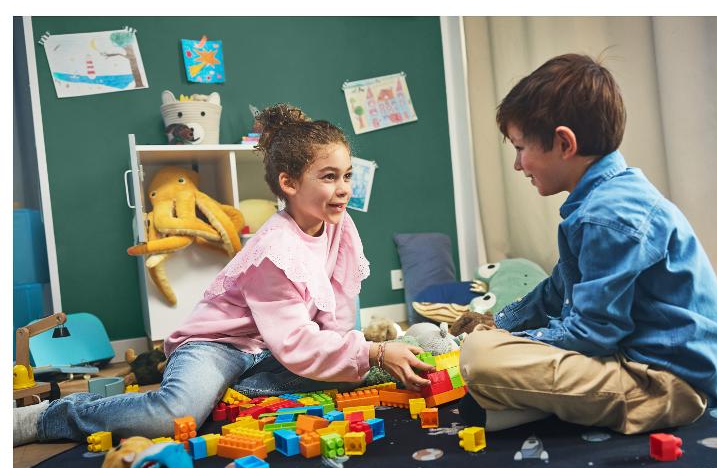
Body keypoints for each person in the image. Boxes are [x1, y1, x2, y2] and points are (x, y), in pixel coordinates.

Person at [14, 104, 433, 446]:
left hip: (267, 351)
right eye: (328, 177)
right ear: (288, 183)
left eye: (346, 176)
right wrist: (373, 353)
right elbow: (297, 342)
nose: (343, 188)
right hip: (217, 346)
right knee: (176, 415)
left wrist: (354, 351)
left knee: (342, 377)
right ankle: (49, 418)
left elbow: (338, 304)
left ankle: (233, 392)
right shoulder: (275, 249)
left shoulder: (339, 225)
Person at [458, 53, 717, 435]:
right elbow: (559, 289)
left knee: (479, 358)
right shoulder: (600, 200)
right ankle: (524, 404)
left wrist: (504, 341)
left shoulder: (608, 215)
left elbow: (592, 333)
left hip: (666, 383)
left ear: (564, 143)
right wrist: (500, 324)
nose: (517, 165)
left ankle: (531, 401)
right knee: (487, 349)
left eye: (520, 148)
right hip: (641, 361)